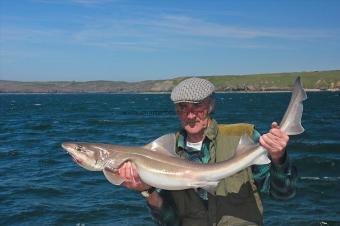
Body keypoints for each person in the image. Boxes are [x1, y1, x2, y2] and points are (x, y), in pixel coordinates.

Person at [117, 78, 297, 226]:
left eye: (197, 107)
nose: (190, 115)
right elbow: (169, 222)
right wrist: (147, 191)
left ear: (211, 105)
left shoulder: (244, 137)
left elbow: (284, 193)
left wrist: (278, 156)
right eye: (183, 108)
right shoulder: (167, 153)